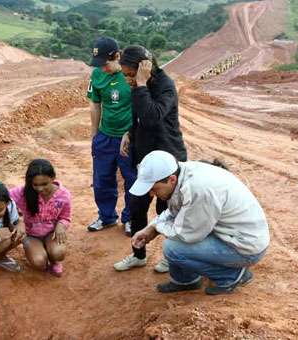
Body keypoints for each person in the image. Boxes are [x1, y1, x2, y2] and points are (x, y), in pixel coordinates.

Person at [130, 151, 270, 295]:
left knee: (172, 248)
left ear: (171, 179)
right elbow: (176, 212)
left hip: (245, 246)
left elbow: (185, 234)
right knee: (172, 236)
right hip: (231, 234)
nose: (151, 194)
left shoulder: (198, 189)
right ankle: (185, 280)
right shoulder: (180, 175)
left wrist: (156, 228)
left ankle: (231, 275)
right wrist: (151, 227)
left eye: (153, 188)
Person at [113, 45, 187, 273]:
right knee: (136, 206)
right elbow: (139, 118)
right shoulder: (139, 87)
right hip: (145, 158)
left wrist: (141, 85)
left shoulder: (165, 86)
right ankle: (138, 255)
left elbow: (152, 116)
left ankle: (170, 257)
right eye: (123, 75)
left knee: (169, 212)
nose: (126, 79)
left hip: (168, 160)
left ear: (145, 68)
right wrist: (130, 133)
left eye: (129, 74)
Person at [87, 36, 137, 235]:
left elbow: (142, 107)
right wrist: (94, 135)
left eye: (105, 64)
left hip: (128, 138)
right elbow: (95, 104)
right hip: (105, 137)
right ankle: (106, 217)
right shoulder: (97, 76)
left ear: (117, 56)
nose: (103, 69)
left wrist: (134, 133)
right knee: (102, 179)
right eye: (99, 65)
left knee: (132, 179)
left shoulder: (132, 75)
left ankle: (131, 217)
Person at [9, 159, 71, 277]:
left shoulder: (64, 195)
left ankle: (54, 261)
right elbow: (1, 197)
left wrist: (61, 225)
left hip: (51, 234)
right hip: (30, 235)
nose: (39, 188)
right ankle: (37, 252)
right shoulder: (21, 192)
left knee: (59, 253)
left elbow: (65, 217)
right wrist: (18, 221)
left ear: (53, 178)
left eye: (44, 184)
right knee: (39, 262)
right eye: (35, 184)